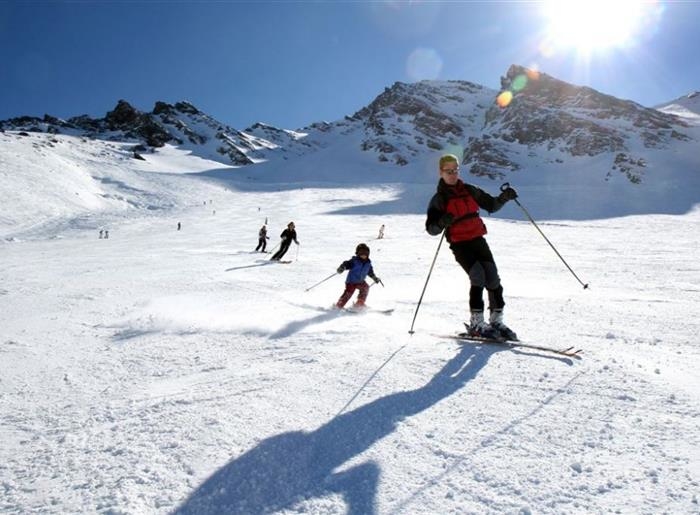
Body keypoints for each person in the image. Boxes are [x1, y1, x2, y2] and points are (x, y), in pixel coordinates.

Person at [425, 153, 518, 340]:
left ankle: (496, 321)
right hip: (460, 244)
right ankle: (476, 323)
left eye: (455, 170)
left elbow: (491, 205)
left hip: (478, 239)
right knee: (478, 276)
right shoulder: (439, 199)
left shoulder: (470, 190)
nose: (452, 174)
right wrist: (442, 221)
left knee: (493, 278)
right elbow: (431, 229)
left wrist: (504, 198)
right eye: (448, 171)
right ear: (441, 172)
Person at [335, 243, 381, 309]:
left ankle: (359, 303)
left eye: (366, 253)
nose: (364, 255)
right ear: (357, 253)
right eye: (361, 252)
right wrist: (342, 267)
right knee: (348, 293)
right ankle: (339, 305)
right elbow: (346, 263)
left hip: (360, 281)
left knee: (365, 288)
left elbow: (370, 272)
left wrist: (374, 278)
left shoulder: (368, 263)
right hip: (351, 282)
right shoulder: (354, 261)